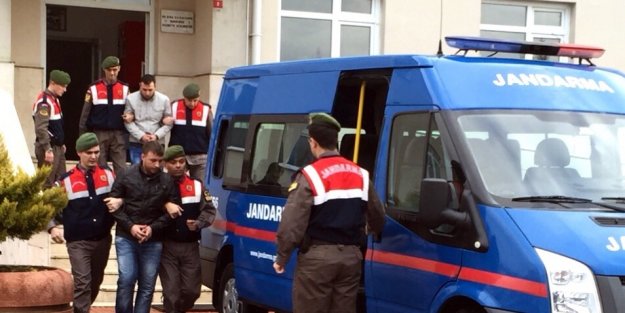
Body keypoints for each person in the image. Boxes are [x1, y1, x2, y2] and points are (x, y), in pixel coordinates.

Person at [273, 112, 385, 313]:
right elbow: (377, 215)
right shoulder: (361, 174)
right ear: (336, 141)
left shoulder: (310, 176)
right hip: (351, 258)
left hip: (317, 259)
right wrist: (372, 232)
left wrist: (282, 256)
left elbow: (292, 223)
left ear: (313, 142)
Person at [107, 141, 181, 313]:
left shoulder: (166, 180)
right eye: (153, 160)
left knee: (147, 284)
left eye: (160, 161)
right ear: (142, 157)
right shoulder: (126, 174)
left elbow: (173, 212)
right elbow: (113, 206)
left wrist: (153, 228)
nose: (157, 165)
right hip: (126, 236)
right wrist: (131, 226)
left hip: (153, 238)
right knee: (126, 279)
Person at [47, 132, 117, 313]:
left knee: (95, 282)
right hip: (78, 242)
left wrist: (121, 201)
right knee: (83, 282)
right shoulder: (65, 180)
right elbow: (47, 206)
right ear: (79, 153)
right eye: (89, 153)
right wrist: (52, 227)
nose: (94, 156)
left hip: (102, 239)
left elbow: (123, 196)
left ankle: (80, 309)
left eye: (96, 152)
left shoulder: (109, 174)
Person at [159, 145, 216, 313]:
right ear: (166, 164)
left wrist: (199, 223)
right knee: (171, 293)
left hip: (190, 245)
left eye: (181, 162)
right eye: (174, 162)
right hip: (166, 245)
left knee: (192, 291)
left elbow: (210, 210)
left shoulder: (197, 185)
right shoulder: (158, 185)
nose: (178, 165)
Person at [79, 56, 130, 175]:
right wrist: (82, 136)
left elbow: (131, 110)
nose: (112, 73)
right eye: (109, 70)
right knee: (99, 167)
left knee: (121, 168)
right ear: (104, 70)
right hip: (99, 133)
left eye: (115, 69)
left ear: (119, 69)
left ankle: (119, 193)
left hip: (118, 134)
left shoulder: (125, 88)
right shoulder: (93, 88)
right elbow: (85, 114)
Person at [33, 69, 71, 188]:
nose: (65, 90)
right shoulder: (44, 102)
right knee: (47, 184)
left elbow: (56, 126)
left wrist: (61, 143)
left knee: (62, 181)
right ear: (53, 83)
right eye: (63, 86)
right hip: (49, 148)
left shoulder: (55, 100)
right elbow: (41, 128)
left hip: (57, 147)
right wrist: (47, 149)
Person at [168, 83, 213, 181]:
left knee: (200, 186)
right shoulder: (174, 106)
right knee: (175, 184)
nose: (192, 103)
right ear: (184, 97)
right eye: (189, 100)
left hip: (200, 157)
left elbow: (212, 134)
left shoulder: (206, 109)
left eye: (195, 100)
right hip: (178, 156)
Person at [123, 74, 172, 165]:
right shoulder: (130, 99)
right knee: (137, 173)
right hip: (137, 141)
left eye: (150, 90)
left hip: (157, 142)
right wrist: (141, 136)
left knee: (156, 172)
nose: (147, 93)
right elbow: (127, 121)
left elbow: (169, 123)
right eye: (144, 90)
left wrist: (156, 136)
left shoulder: (164, 100)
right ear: (140, 86)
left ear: (155, 87)